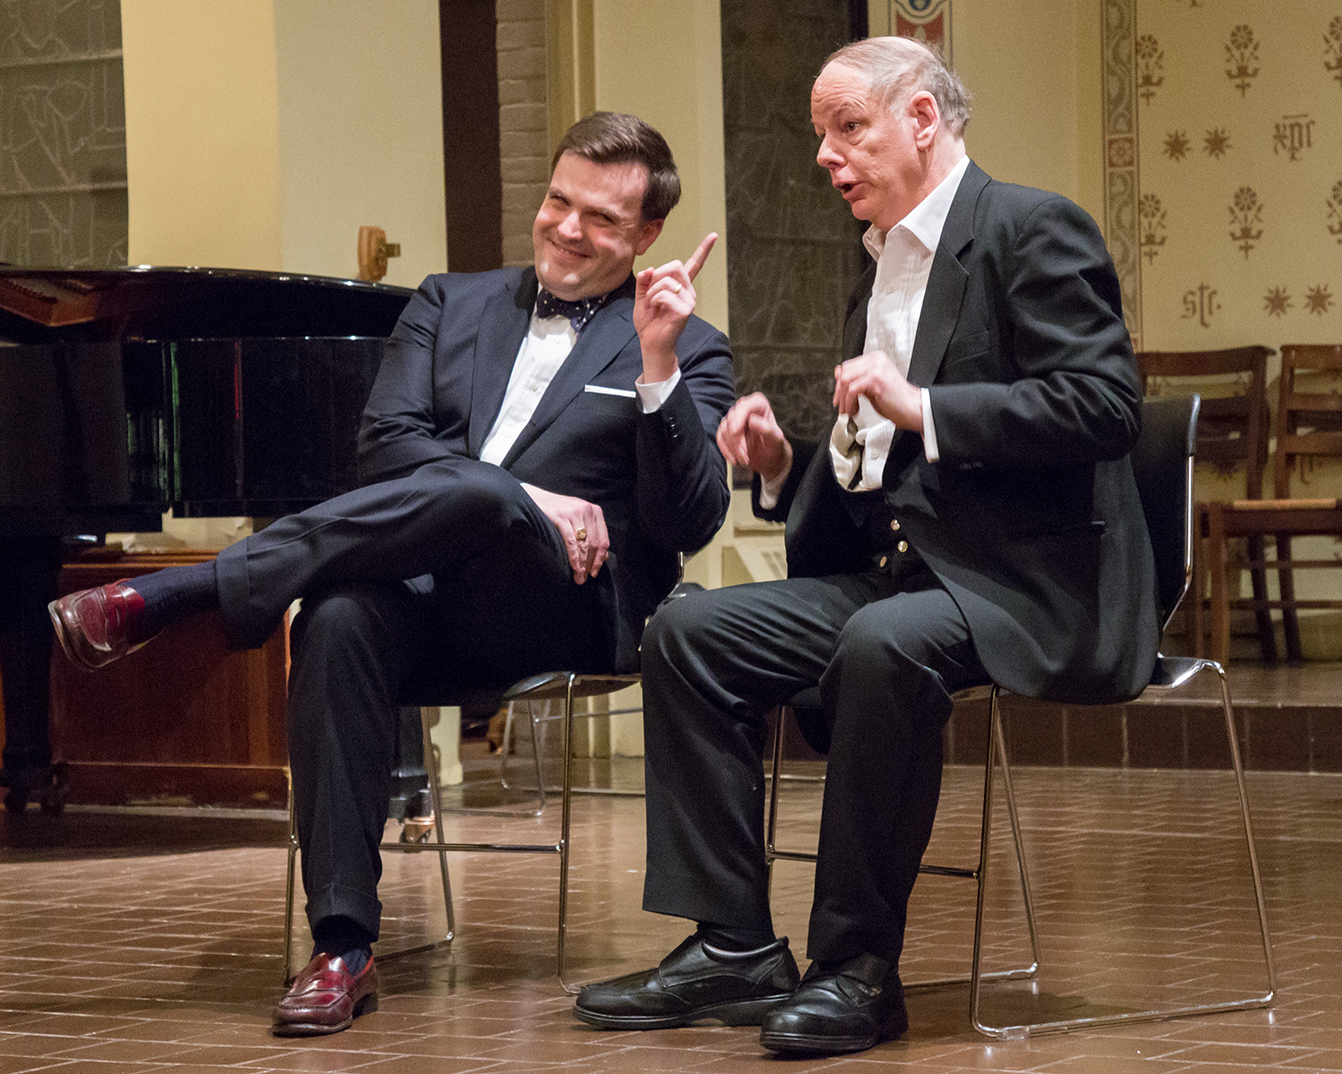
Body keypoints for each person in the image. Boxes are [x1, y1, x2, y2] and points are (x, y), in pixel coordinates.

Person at [48, 111, 735, 1036]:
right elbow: (385, 451)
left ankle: (175, 596)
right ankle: (342, 947)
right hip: (422, 601)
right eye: (558, 201)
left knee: (487, 500)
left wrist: (656, 366)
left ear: (647, 236)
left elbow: (688, 520)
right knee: (335, 612)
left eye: (602, 220)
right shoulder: (449, 300)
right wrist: (530, 492)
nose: (567, 229)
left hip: (561, 607)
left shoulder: (691, 342)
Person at [573, 37, 1160, 1056]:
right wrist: (778, 466)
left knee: (884, 645)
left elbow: (1102, 406)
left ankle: (855, 967)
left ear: (923, 119)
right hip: (905, 576)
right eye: (819, 135)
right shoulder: (878, 264)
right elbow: (881, 469)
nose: (824, 156)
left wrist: (924, 403)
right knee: (689, 630)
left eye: (849, 127)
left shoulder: (1028, 229)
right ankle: (733, 947)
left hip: (1032, 582)